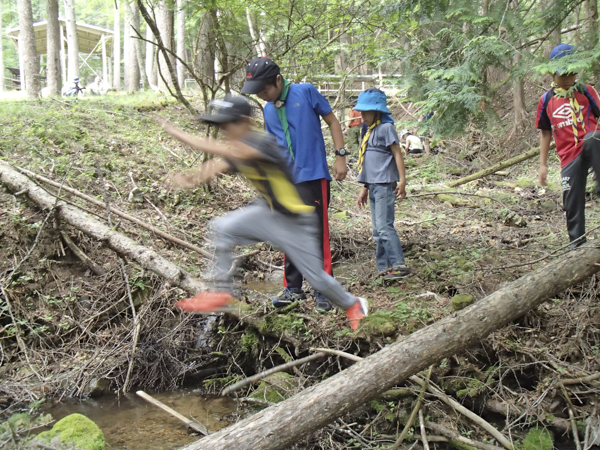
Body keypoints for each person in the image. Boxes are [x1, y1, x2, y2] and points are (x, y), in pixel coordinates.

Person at [160, 94, 368, 330]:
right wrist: (190, 180)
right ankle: (221, 293)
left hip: (295, 221)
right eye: (221, 127)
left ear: (245, 121)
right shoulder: (240, 148)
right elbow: (218, 164)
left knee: (317, 278)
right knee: (220, 228)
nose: (225, 131)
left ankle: (353, 305)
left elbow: (225, 152)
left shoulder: (262, 142)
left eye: (228, 125)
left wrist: (179, 134)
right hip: (267, 213)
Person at [241, 57, 347, 312]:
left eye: (265, 90)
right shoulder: (267, 109)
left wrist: (340, 155)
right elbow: (271, 145)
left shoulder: (306, 92)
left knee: (317, 234)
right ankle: (294, 288)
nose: (264, 96)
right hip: (285, 181)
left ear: (278, 80)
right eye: (259, 93)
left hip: (313, 175)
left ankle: (324, 289)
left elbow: (332, 121)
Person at [536, 43, 600, 249]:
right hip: (568, 156)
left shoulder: (586, 91)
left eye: (571, 74)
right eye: (562, 74)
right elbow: (546, 133)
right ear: (553, 73)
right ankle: (577, 246)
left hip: (591, 145)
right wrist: (543, 165)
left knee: (593, 139)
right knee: (571, 199)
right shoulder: (547, 100)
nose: (567, 79)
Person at [354, 89, 410, 280]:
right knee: (377, 230)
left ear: (377, 111)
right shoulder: (369, 131)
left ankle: (399, 265)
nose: (362, 116)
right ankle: (384, 267)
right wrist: (364, 188)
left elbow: (397, 153)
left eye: (365, 112)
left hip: (385, 184)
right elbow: (370, 163)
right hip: (373, 185)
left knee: (385, 226)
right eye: (360, 112)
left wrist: (402, 180)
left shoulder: (386, 128)